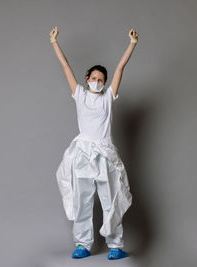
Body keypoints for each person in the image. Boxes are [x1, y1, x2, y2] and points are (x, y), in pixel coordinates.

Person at [50, 26, 138, 260]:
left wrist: (132, 44)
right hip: (82, 155)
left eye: (101, 79)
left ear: (105, 83)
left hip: (105, 155)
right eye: (94, 78)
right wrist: (54, 43)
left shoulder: (108, 98)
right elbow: (66, 67)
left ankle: (116, 246)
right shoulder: (79, 94)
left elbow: (120, 67)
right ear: (87, 79)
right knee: (82, 201)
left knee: (111, 200)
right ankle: (83, 244)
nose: (97, 82)